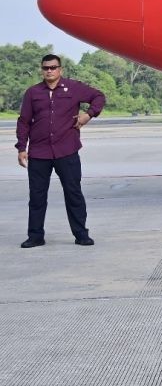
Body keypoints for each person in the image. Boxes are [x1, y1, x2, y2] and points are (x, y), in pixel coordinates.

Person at [15, 54, 105, 248]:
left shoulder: (73, 88)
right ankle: (35, 236)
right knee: (37, 197)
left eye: (53, 67)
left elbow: (99, 97)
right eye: (46, 68)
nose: (49, 71)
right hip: (39, 153)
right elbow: (24, 121)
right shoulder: (33, 93)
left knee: (73, 193)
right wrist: (22, 147)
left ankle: (81, 234)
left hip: (67, 150)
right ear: (42, 70)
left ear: (60, 69)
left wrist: (88, 115)